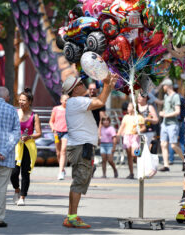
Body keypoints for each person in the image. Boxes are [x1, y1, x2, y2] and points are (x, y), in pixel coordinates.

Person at [62, 73, 118, 228]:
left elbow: (100, 100)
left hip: (80, 146)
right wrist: (107, 84)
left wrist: (108, 85)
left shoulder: (75, 101)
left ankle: (71, 216)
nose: (83, 85)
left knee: (79, 181)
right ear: (74, 90)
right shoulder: (76, 101)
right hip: (81, 146)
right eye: (80, 84)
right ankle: (72, 217)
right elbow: (100, 101)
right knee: (79, 182)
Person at [11, 88, 42, 206]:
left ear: (29, 101)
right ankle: (17, 190)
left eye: (23, 100)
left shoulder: (34, 116)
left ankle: (22, 197)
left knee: (25, 172)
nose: (21, 102)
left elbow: (39, 133)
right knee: (14, 172)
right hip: (15, 146)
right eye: (19, 100)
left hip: (28, 147)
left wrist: (29, 137)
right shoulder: (15, 113)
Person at [0, 87, 21, 227]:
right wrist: (4, 151)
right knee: (1, 188)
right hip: (5, 156)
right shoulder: (12, 110)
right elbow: (16, 133)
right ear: (6, 97)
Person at [158, 79, 184, 172]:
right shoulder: (166, 96)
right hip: (165, 123)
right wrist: (163, 113)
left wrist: (165, 114)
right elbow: (167, 109)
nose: (163, 88)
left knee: (173, 145)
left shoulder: (176, 96)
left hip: (173, 124)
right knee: (163, 144)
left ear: (168, 86)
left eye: (164, 86)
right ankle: (166, 165)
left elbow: (177, 111)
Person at [117, 102, 146, 179]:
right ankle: (131, 173)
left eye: (129, 107)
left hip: (135, 137)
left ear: (134, 108)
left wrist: (138, 130)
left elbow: (143, 127)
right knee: (129, 156)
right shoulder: (126, 117)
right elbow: (122, 126)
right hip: (127, 136)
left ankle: (140, 164)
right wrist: (118, 135)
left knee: (135, 154)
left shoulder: (139, 117)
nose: (128, 108)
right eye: (128, 107)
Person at [88, 82, 106, 177]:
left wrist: (99, 133)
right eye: (90, 89)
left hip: (94, 130)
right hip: (84, 129)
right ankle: (89, 167)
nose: (92, 90)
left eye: (94, 89)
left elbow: (102, 119)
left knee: (91, 150)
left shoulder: (100, 101)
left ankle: (91, 167)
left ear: (97, 90)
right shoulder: (84, 100)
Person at [49, 94, 69, 180]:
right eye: (65, 100)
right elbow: (51, 121)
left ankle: (60, 172)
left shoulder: (71, 110)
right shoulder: (56, 109)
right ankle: (62, 169)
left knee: (63, 150)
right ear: (61, 100)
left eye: (68, 100)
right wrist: (53, 128)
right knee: (58, 153)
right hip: (57, 132)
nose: (66, 101)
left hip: (66, 132)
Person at [168, 84, 185, 165]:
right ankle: (184, 159)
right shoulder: (181, 97)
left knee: (172, 141)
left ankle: (171, 159)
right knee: (182, 140)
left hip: (172, 121)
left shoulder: (169, 98)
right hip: (181, 120)